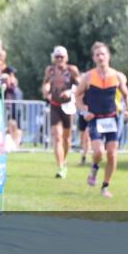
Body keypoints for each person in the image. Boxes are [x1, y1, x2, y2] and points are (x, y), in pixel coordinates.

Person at [76, 42, 128, 198]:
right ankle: (94, 167)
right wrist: (84, 110)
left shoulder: (117, 76)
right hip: (95, 118)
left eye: (103, 54)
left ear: (108, 56)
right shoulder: (88, 77)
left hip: (112, 118)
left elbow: (127, 95)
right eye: (97, 55)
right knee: (99, 152)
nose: (101, 57)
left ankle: (105, 187)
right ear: (94, 58)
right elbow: (78, 96)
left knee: (112, 154)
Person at [41, 45, 81, 179]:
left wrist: (69, 92)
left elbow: (80, 86)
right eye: (57, 56)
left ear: (66, 58)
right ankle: (61, 167)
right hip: (55, 105)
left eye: (61, 57)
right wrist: (46, 90)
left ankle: (64, 159)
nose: (59, 59)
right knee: (57, 136)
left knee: (66, 138)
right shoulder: (50, 70)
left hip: (68, 106)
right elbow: (45, 83)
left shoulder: (72, 70)